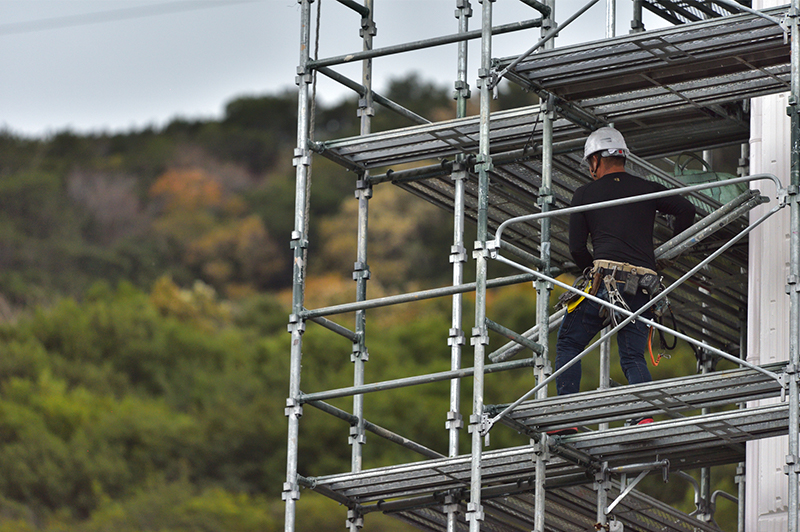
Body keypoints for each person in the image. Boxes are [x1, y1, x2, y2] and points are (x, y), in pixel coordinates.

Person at [551, 127, 696, 435]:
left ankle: (567, 419)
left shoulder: (585, 194)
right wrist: (671, 247)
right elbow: (686, 208)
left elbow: (577, 248)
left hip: (605, 281)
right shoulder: (646, 188)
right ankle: (643, 415)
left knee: (569, 343)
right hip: (643, 285)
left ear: (595, 161)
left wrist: (594, 272)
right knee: (631, 355)